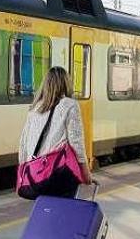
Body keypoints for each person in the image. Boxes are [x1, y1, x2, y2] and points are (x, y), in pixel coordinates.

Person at [18, 67, 92, 198]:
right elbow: (76, 143)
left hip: (37, 176)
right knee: (63, 212)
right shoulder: (70, 105)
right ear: (66, 84)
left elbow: (23, 144)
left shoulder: (35, 108)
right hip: (59, 173)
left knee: (46, 211)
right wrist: (86, 174)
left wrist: (24, 172)